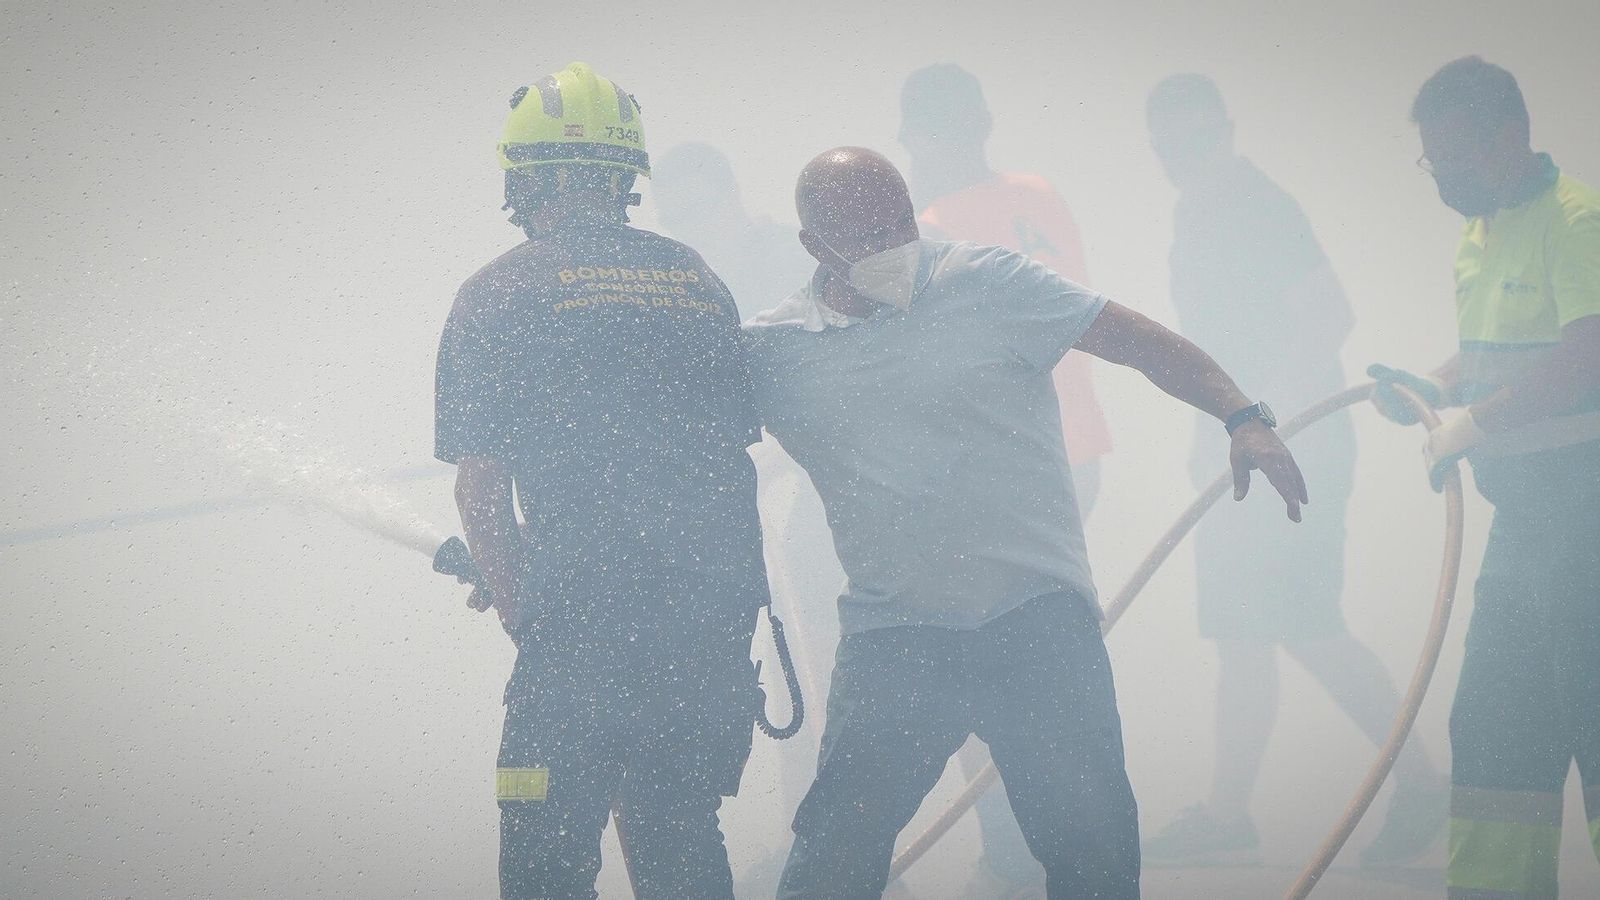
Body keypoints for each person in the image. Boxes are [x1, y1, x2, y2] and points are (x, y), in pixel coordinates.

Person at [745, 146, 1309, 899]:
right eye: (868, 236)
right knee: (833, 857)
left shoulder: (988, 283)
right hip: (897, 637)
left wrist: (1242, 416)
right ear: (815, 247)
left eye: (900, 223)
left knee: (1095, 861)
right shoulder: (775, 350)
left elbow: (1138, 341)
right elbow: (681, 442)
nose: (893, 247)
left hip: (1036, 623)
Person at [433, 62, 769, 900]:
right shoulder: (697, 280)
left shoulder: (497, 293)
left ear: (523, 178)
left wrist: (523, 606)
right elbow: (709, 459)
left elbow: (480, 491)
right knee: (679, 834)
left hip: (580, 630)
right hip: (709, 627)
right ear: (625, 176)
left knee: (542, 853)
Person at [1139, 73, 1449, 869]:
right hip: (1244, 444)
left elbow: (1330, 313)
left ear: (1225, 130)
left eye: (1196, 140)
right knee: (1240, 629)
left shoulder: (1257, 205)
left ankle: (1420, 783)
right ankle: (1227, 812)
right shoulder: (1195, 213)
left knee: (1305, 623)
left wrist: (1268, 419)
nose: (1183, 158)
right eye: (1169, 147)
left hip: (1287, 446)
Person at [1370, 56, 1600, 897]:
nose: (1444, 178)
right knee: (1498, 729)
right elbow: (1496, 351)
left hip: (1589, 522)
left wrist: (1476, 423)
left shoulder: (1575, 220)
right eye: (1432, 161)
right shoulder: (1483, 232)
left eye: (1455, 158)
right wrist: (1436, 388)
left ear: (1509, 137)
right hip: (1525, 530)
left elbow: (1587, 354)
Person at [895, 62, 1115, 896]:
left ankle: (1014, 855)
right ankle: (1063, 849)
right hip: (1076, 460)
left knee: (980, 660)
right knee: (1046, 656)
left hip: (997, 475)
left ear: (919, 138)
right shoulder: (1039, 196)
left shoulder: (933, 230)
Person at [653, 139, 846, 896]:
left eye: (699, 210)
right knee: (800, 670)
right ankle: (814, 847)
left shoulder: (778, 259)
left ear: (731, 197)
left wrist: (777, 451)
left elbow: (819, 370)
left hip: (830, 493)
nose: (692, 227)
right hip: (773, 502)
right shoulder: (689, 279)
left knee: (829, 673)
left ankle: (838, 850)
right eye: (679, 217)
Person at [653, 142, 817, 321]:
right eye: (674, 220)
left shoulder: (800, 257)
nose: (687, 229)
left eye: (697, 210)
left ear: (731, 194)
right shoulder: (679, 285)